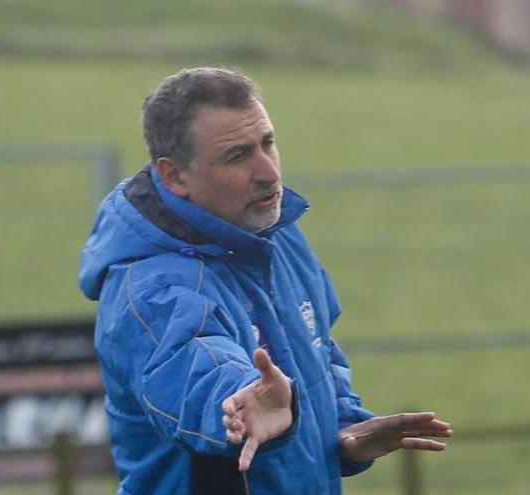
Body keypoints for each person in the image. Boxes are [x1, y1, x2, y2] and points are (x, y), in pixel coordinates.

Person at [78, 67, 451, 495]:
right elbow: (196, 368)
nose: (269, 172)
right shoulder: (152, 287)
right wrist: (241, 401)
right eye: (237, 156)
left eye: (268, 144)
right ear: (174, 176)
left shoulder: (278, 237)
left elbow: (317, 350)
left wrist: (343, 427)